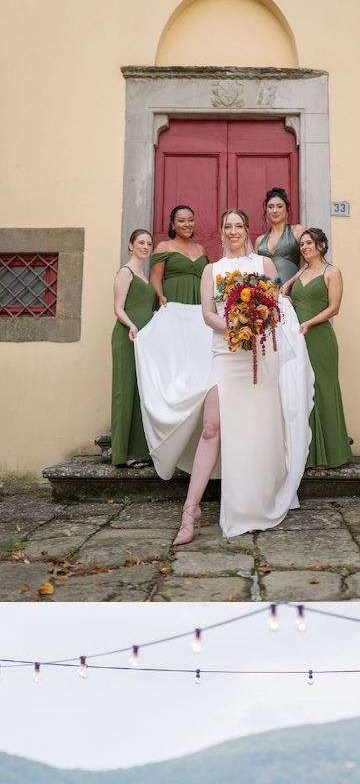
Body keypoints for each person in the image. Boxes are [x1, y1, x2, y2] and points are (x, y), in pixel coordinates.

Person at [135, 209, 315, 542]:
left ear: (247, 230)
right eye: (227, 226)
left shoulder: (265, 266)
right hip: (224, 354)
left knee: (258, 429)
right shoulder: (211, 271)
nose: (233, 231)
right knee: (211, 426)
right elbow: (207, 314)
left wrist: (256, 324)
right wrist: (235, 326)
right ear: (221, 232)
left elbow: (275, 308)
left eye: (238, 226)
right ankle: (190, 511)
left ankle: (255, 502)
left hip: (260, 357)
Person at [281, 229, 352, 468]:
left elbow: (334, 308)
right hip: (298, 336)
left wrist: (309, 323)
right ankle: (309, 454)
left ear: (321, 245)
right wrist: (289, 293)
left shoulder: (332, 272)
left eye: (309, 243)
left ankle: (332, 453)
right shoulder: (302, 270)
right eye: (302, 244)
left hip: (319, 336)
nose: (304, 247)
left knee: (323, 387)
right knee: (303, 388)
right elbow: (283, 291)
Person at [110, 229, 157, 467]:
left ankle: (139, 451)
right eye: (141, 242)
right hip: (127, 335)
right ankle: (122, 453)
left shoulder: (143, 274)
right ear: (130, 245)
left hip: (144, 340)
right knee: (124, 390)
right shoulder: (126, 272)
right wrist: (131, 326)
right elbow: (118, 308)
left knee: (141, 391)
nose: (145, 246)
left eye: (149, 243)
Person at [149, 205, 208, 305]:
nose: (187, 224)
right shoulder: (164, 247)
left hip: (198, 303)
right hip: (172, 300)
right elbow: (155, 277)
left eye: (190, 220)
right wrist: (160, 296)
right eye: (181, 221)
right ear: (173, 224)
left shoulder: (200, 249)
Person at [255, 187, 306, 285]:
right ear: (266, 211)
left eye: (279, 206)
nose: (275, 210)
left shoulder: (297, 231)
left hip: (292, 291)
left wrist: (289, 285)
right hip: (266, 295)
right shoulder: (259, 241)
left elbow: (307, 263)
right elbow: (256, 271)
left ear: (287, 210)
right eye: (270, 207)